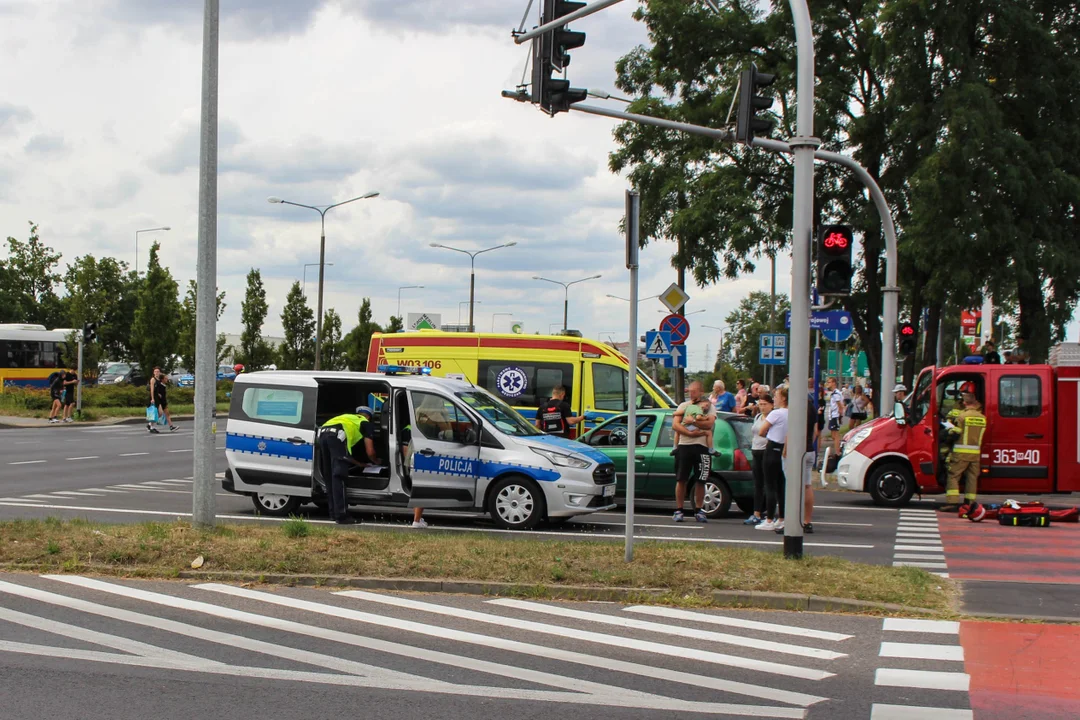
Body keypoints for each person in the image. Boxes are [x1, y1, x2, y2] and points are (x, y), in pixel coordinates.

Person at [318, 406, 380, 525]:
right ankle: (342, 516)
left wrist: (360, 464)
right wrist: (375, 461)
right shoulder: (365, 423)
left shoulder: (348, 418)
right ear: (369, 417)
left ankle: (333, 513)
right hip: (337, 436)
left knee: (329, 475)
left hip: (323, 434)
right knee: (339, 476)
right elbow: (370, 451)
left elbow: (345, 456)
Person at [672, 380, 716, 523]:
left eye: (695, 391)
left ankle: (698, 509)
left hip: (702, 447)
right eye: (690, 391)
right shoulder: (684, 406)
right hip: (684, 445)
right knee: (681, 479)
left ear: (701, 392)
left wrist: (694, 422)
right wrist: (689, 433)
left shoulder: (708, 407)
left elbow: (709, 423)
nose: (692, 394)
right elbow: (675, 424)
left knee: (701, 480)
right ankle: (679, 510)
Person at [940, 390, 987, 512]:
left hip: (961, 453)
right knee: (972, 478)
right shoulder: (983, 418)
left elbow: (956, 433)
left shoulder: (962, 416)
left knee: (953, 476)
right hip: (975, 454)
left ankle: (952, 502)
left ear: (965, 403)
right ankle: (970, 503)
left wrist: (947, 432)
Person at [756, 387, 788, 531]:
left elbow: (762, 430)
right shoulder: (792, 413)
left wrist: (769, 433)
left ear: (783, 398)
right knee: (781, 485)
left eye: (776, 396)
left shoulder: (776, 413)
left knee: (769, 485)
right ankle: (782, 517)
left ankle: (769, 519)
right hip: (783, 449)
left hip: (772, 448)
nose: (774, 398)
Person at [793, 381, 820, 533]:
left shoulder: (796, 409)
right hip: (809, 449)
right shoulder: (812, 407)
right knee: (807, 485)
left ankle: (791, 519)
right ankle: (807, 520)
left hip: (797, 451)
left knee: (792, 485)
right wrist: (809, 443)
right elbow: (816, 431)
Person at [743, 393, 773, 526]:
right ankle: (756, 513)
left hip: (767, 451)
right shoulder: (758, 416)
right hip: (756, 451)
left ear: (771, 405)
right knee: (758, 484)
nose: (762, 407)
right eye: (760, 404)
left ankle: (771, 514)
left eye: (765, 404)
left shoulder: (773, 418)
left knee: (770, 483)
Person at [147, 367, 177, 433]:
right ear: (153, 373)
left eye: (158, 371)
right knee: (158, 412)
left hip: (157, 397)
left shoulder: (158, 380)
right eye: (155, 371)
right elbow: (152, 389)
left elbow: (158, 388)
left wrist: (158, 394)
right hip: (153, 397)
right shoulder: (153, 379)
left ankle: (150, 424)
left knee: (159, 413)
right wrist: (152, 398)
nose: (156, 373)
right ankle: (151, 427)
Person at [822, 376, 845, 459]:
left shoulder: (836, 394)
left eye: (829, 382)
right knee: (833, 435)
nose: (827, 384)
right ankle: (836, 450)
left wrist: (840, 416)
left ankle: (837, 452)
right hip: (832, 416)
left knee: (836, 435)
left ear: (834, 383)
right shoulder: (833, 393)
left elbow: (840, 406)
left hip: (835, 416)